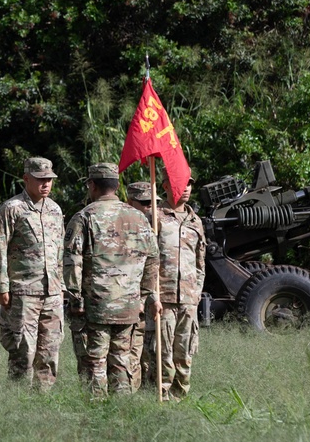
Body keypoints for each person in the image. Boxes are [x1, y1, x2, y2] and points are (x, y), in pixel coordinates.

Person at [64, 163, 160, 397]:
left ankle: (96, 413)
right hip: (128, 305)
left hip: (94, 307)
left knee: (94, 363)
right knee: (121, 361)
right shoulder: (139, 217)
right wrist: (143, 296)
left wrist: (75, 298)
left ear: (92, 185)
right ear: (117, 186)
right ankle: (121, 410)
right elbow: (153, 259)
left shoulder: (85, 217)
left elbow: (71, 261)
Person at [0, 157, 65, 390]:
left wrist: (61, 285)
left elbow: (60, 250)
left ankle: (44, 397)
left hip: (52, 292)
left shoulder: (54, 209)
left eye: (49, 180)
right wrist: (1, 286)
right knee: (23, 350)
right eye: (41, 179)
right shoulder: (11, 209)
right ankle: (19, 399)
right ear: (26, 179)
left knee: (50, 349)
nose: (46, 184)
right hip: (23, 291)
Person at [146, 174, 206, 399]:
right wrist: (152, 295)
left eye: (190, 183)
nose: (187, 187)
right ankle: (160, 399)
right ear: (164, 186)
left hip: (188, 299)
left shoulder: (195, 220)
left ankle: (180, 400)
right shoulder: (155, 217)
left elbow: (200, 262)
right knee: (162, 354)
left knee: (185, 354)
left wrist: (196, 293)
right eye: (181, 182)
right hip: (164, 298)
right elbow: (148, 260)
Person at [125, 181, 155, 391]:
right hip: (129, 299)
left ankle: (153, 389)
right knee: (132, 350)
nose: (149, 208)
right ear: (130, 202)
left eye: (152, 202)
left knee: (155, 349)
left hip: (155, 297)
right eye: (144, 203)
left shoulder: (160, 225)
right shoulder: (122, 227)